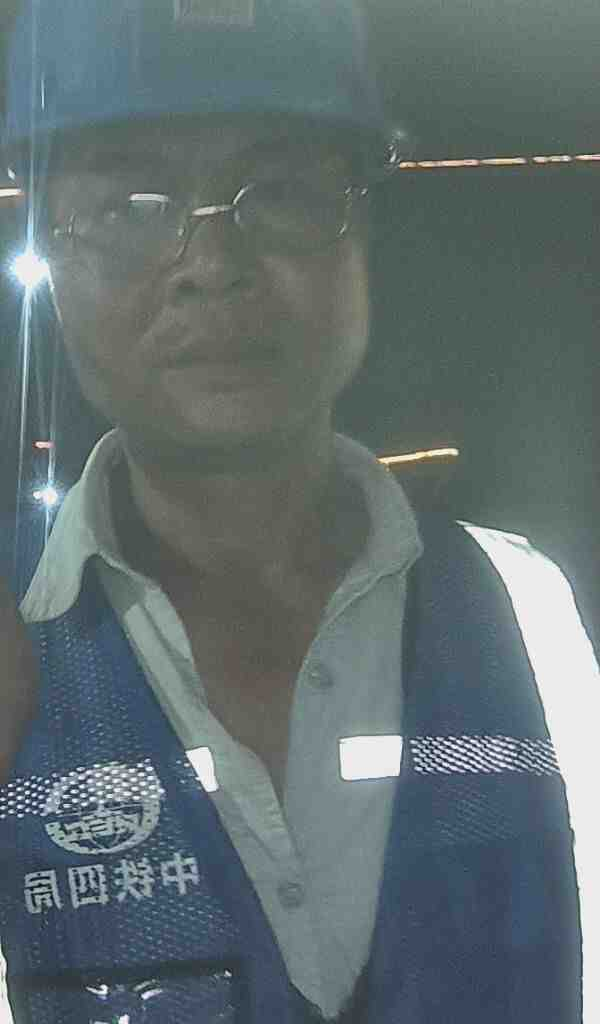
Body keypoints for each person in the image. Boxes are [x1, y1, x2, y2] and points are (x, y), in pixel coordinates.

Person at [0, 1, 595, 1022]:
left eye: (278, 192)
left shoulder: (526, 609)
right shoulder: (16, 643)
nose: (210, 265)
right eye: (129, 204)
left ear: (363, 231)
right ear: (51, 252)